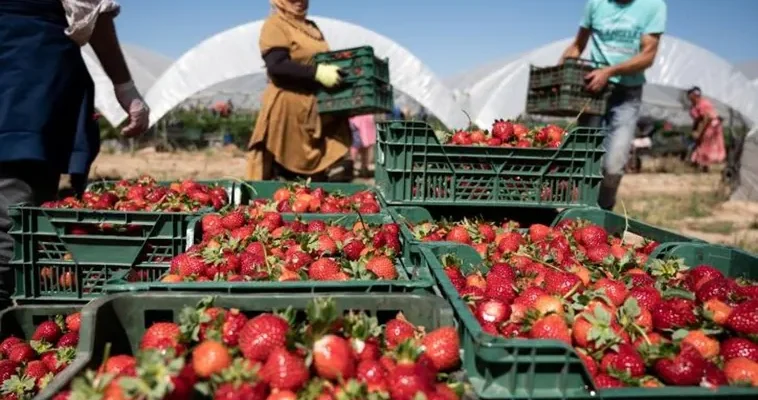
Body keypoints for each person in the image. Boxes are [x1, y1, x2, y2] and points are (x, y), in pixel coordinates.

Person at [0, 0, 149, 308]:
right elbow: (93, 10)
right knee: (11, 219)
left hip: (23, 73)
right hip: (25, 74)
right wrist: (125, 86)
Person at [560, 0, 666, 210]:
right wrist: (559, 72)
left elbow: (648, 56)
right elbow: (577, 45)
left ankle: (603, 212)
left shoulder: (653, 6)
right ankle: (575, 213)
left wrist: (609, 72)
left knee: (613, 165)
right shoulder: (596, 4)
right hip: (593, 91)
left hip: (627, 93)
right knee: (582, 160)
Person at [246, 0, 352, 182]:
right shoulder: (275, 24)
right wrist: (316, 72)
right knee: (288, 172)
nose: (300, 2)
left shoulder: (312, 28)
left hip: (314, 108)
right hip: (288, 110)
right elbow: (277, 66)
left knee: (318, 179)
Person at [687, 87, 726, 172]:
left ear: (695, 95)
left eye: (690, 95)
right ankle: (699, 163)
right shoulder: (694, 106)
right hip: (704, 126)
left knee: (706, 145)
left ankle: (703, 165)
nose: (689, 97)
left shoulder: (704, 104)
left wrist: (699, 132)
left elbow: (705, 118)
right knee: (700, 144)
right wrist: (694, 130)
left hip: (711, 126)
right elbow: (697, 120)